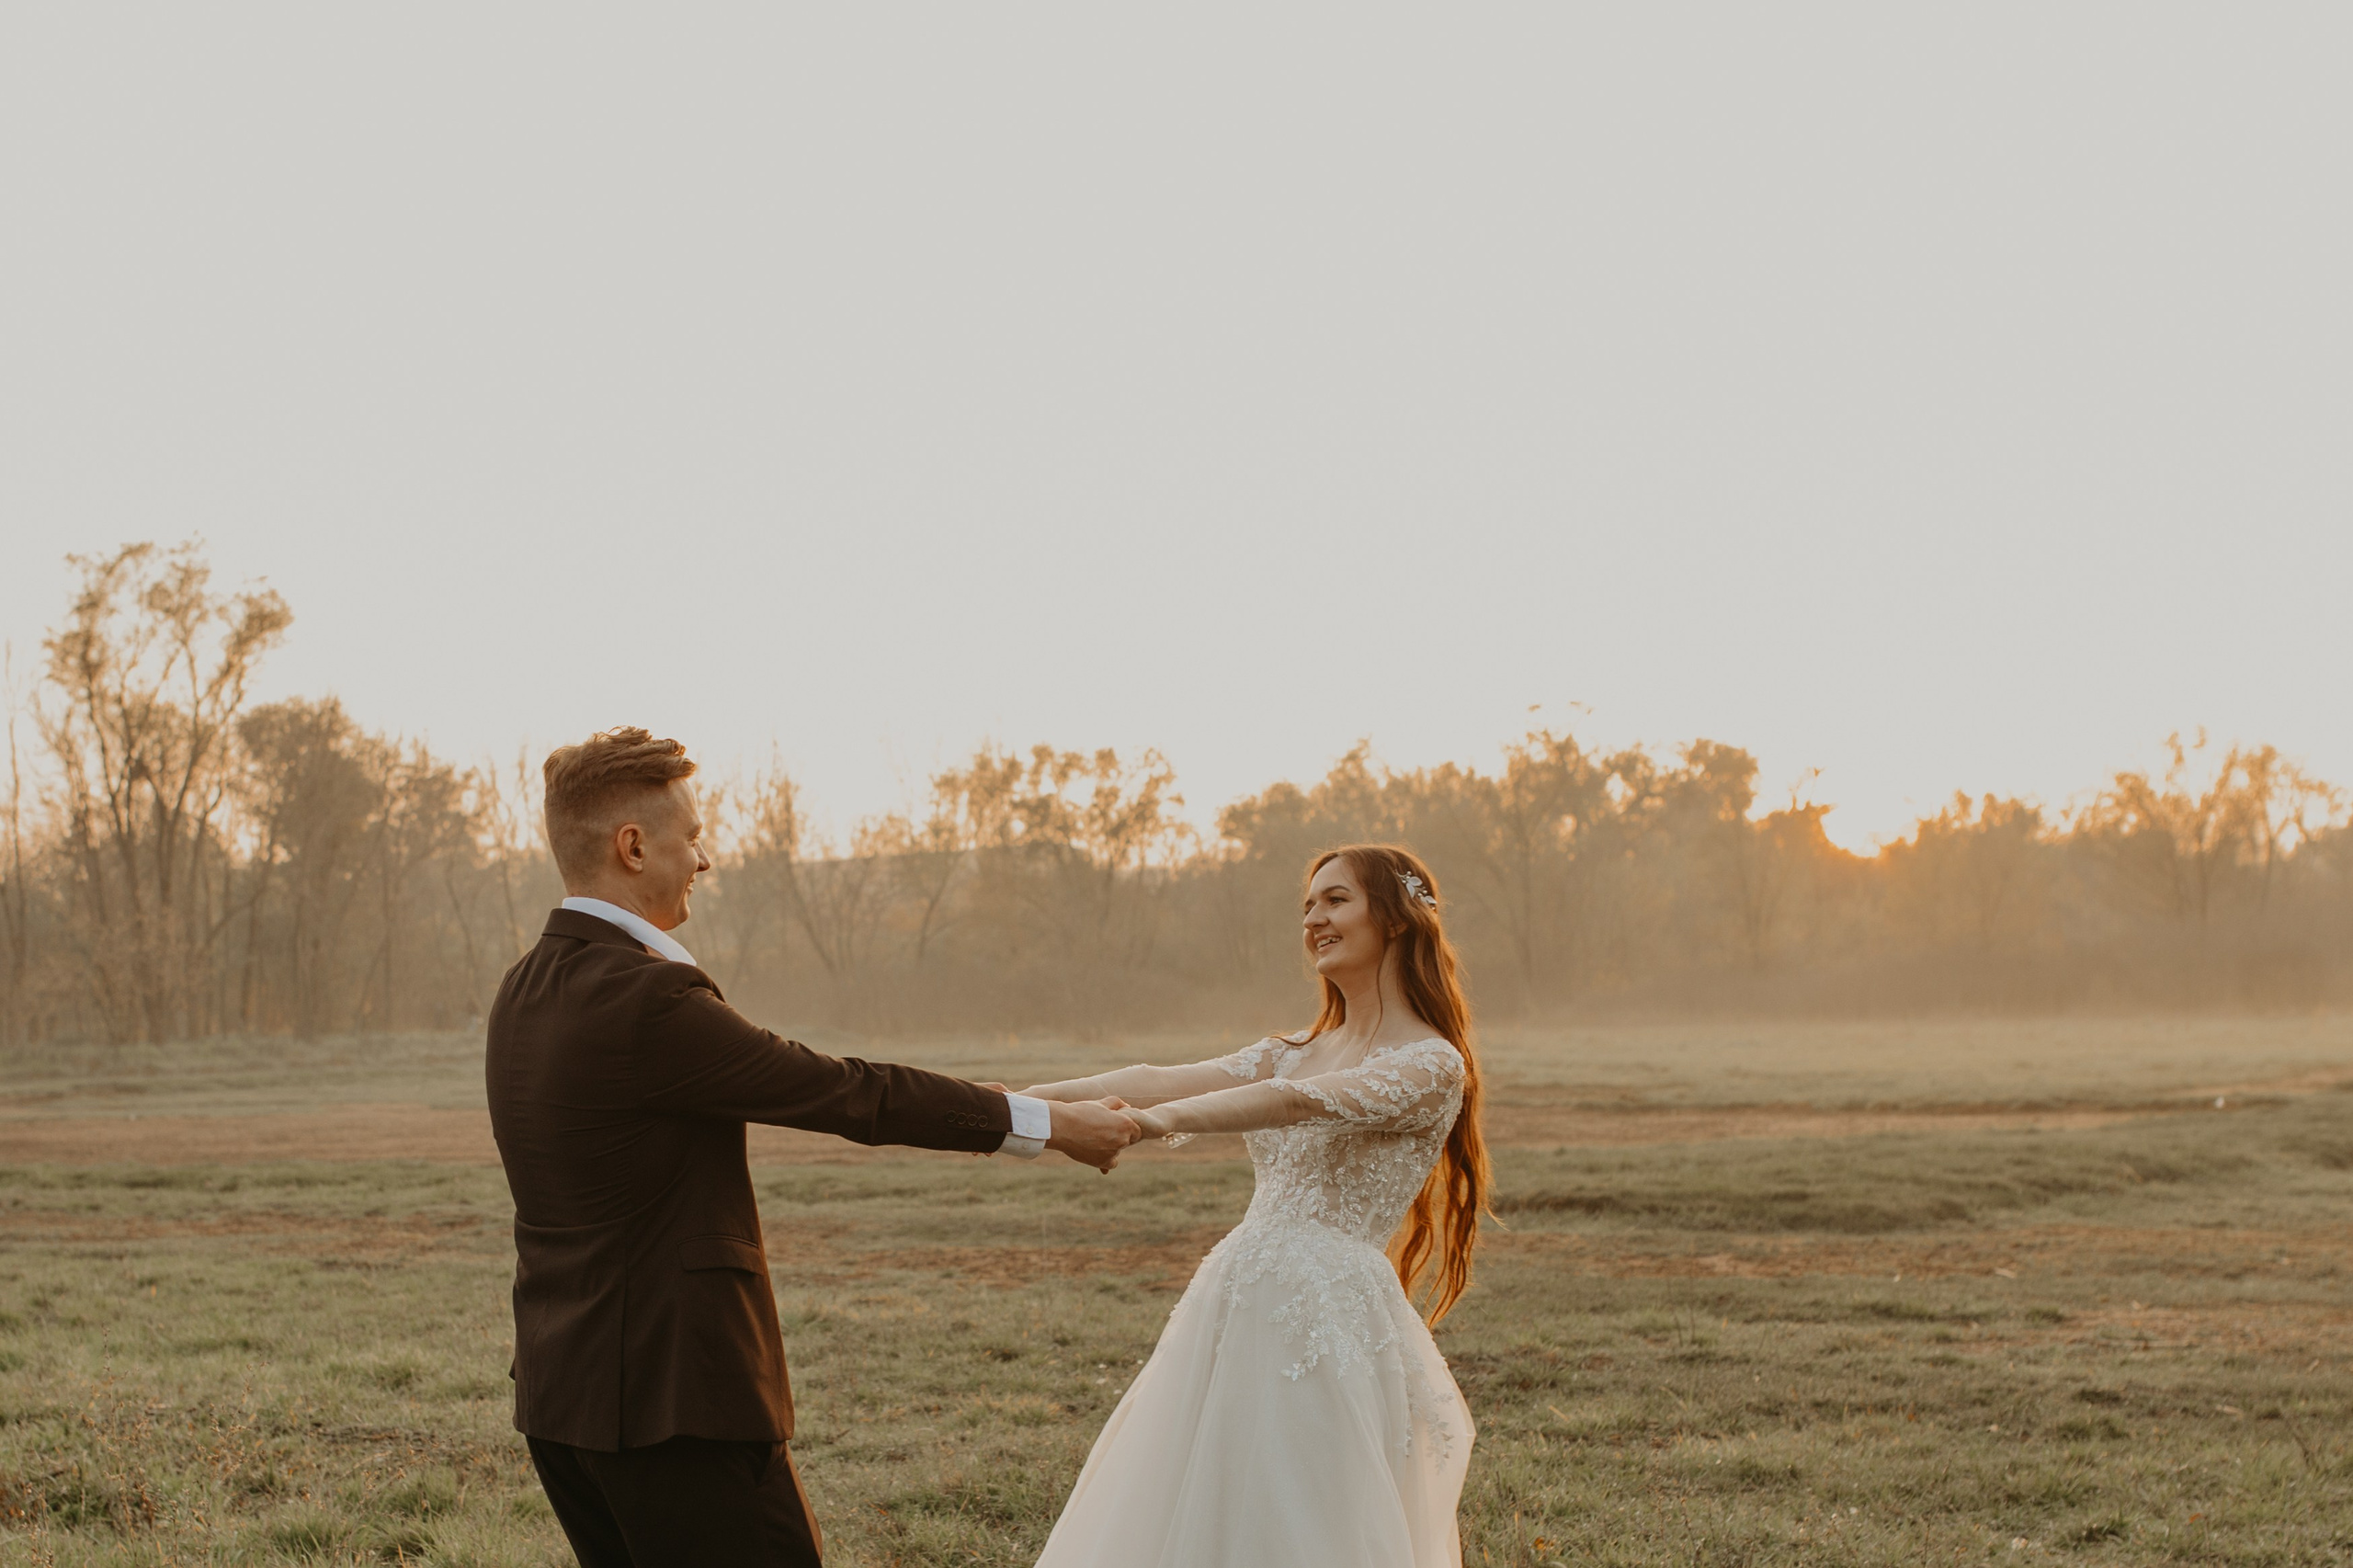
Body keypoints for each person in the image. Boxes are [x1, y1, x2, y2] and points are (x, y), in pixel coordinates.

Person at [484, 727, 1138, 1568]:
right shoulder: (648, 998)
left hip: (562, 1400)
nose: (705, 858)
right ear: (633, 847)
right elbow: (850, 1092)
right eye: (692, 837)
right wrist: (1050, 1127)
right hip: (673, 1404)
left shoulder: (523, 987)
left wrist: (1016, 1104)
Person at [1021, 843, 1491, 1568]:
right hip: (1238, 1290)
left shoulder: (1430, 1063)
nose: (1314, 919)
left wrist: (1151, 1125)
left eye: (1336, 900)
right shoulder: (1295, 1047)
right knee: (1200, 1493)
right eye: (1308, 905)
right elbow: (1157, 1076)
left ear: (1397, 918)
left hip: (1326, 1306)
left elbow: (1294, 1103)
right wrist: (1019, 1103)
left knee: (1298, 1504)